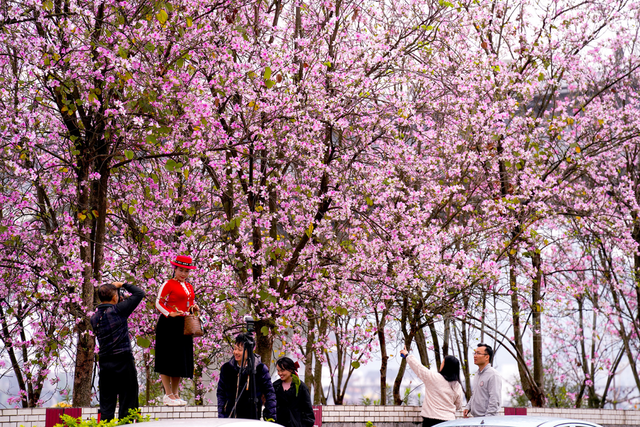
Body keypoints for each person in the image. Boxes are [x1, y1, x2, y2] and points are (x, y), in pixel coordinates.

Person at [90, 281, 145, 422]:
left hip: (105, 363)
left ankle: (105, 424)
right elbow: (139, 293)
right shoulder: (118, 310)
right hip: (124, 360)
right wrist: (123, 284)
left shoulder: (94, 318)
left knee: (107, 403)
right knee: (128, 400)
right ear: (115, 297)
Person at [155, 254, 198, 406]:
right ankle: (168, 394)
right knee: (167, 358)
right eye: (181, 270)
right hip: (168, 325)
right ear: (175, 269)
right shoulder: (168, 284)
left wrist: (193, 307)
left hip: (183, 325)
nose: (183, 274)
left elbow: (189, 302)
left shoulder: (189, 286)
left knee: (180, 360)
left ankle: (175, 393)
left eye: (186, 271)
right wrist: (169, 313)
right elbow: (158, 303)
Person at [217, 333, 277, 421]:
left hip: (252, 417)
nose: (235, 352)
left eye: (240, 349)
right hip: (230, 417)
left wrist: (270, 417)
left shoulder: (260, 369)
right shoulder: (226, 368)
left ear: (249, 351)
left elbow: (270, 393)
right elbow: (221, 393)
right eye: (235, 349)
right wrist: (221, 416)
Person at [400, 348, 465, 427]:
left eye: (443, 362)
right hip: (449, 421)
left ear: (445, 366)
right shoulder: (457, 385)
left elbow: (418, 367)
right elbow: (458, 405)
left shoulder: (433, 377)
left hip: (431, 419)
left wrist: (407, 355)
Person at [273, 357, 315, 427]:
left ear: (291, 369)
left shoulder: (301, 387)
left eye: (282, 370)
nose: (280, 373)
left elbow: (308, 413)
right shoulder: (275, 386)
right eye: (278, 370)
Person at [463, 343, 502, 418]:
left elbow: (495, 400)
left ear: (487, 357)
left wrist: (487, 419)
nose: (475, 356)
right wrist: (468, 407)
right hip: (476, 419)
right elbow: (475, 394)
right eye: (474, 353)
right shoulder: (477, 374)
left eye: (478, 353)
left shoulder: (493, 375)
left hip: (487, 420)